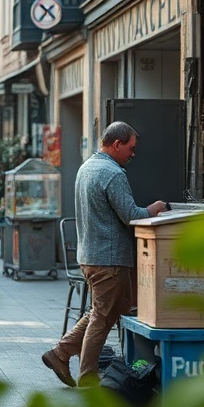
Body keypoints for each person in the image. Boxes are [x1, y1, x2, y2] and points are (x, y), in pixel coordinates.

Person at [41, 121, 167, 388]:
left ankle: (61, 352)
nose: (133, 154)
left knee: (110, 309)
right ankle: (86, 374)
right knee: (101, 316)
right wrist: (155, 208)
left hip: (91, 254)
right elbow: (131, 215)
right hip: (108, 258)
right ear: (117, 144)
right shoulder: (113, 173)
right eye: (131, 148)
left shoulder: (87, 167)